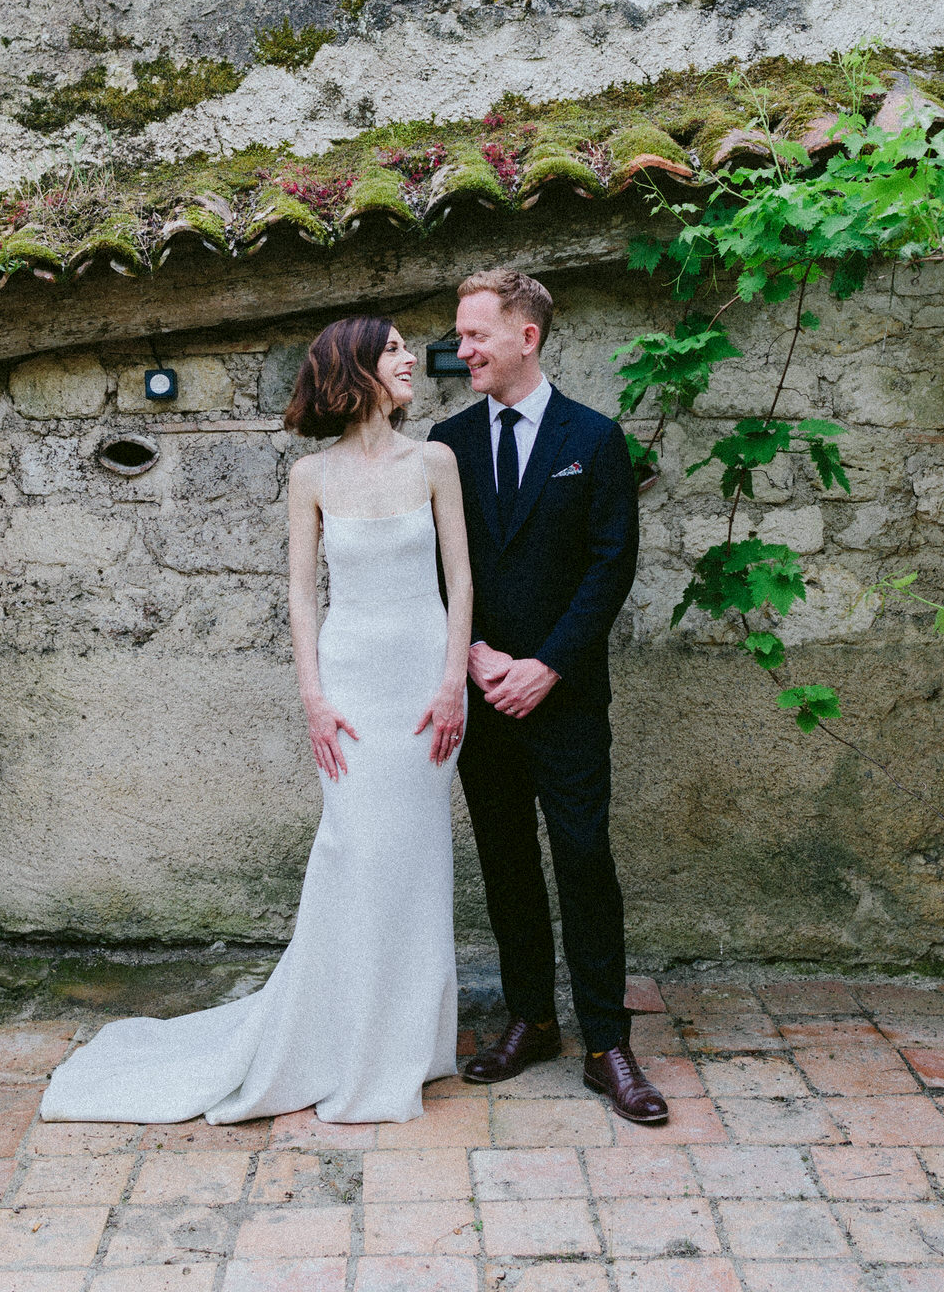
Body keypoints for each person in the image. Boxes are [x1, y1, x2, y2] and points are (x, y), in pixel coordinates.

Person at [39, 316, 474, 1125]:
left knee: (416, 861)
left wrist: (454, 684)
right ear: (354, 368)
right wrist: (313, 697)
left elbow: (461, 579)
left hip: (423, 687)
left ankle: (410, 1043)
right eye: (393, 350)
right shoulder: (311, 475)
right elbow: (302, 597)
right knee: (355, 854)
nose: (411, 358)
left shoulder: (436, 461)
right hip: (349, 688)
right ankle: (337, 1039)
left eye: (408, 348)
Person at [429, 270, 662, 1124]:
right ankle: (531, 1020)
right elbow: (438, 567)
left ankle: (607, 1042)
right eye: (460, 335)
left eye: (477, 334)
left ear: (526, 336)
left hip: (564, 699)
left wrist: (549, 665)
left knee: (584, 859)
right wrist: (481, 657)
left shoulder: (594, 440)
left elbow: (612, 566)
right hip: (483, 693)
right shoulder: (445, 444)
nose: (463, 349)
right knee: (506, 862)